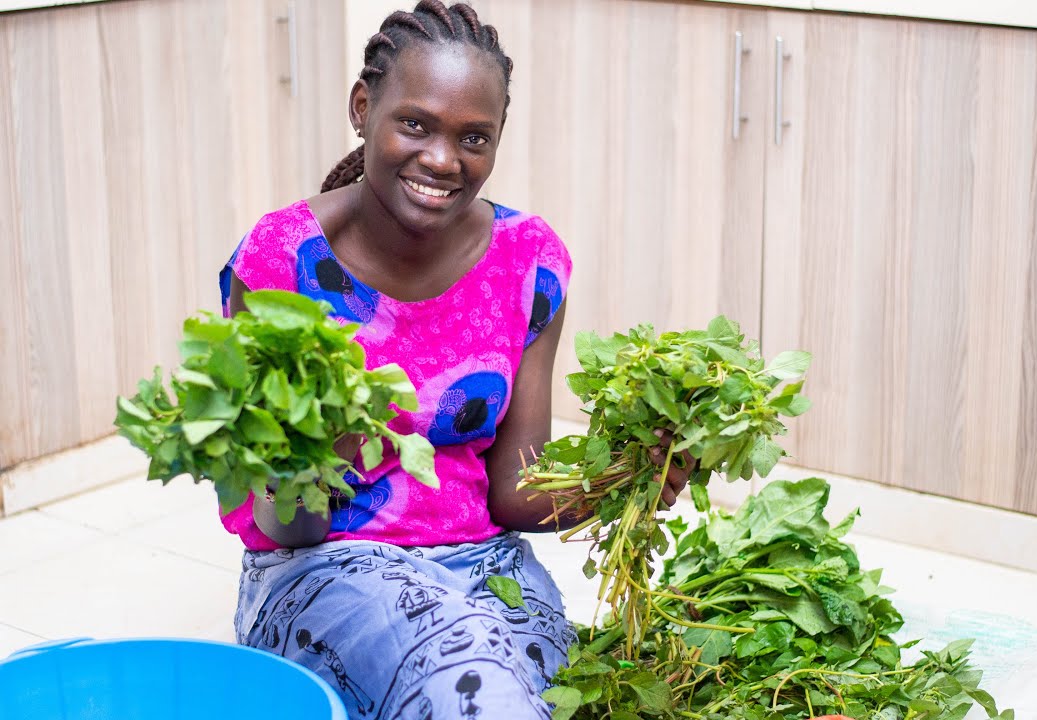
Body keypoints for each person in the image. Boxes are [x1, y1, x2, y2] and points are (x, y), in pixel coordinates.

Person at [216, 3, 690, 718]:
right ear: (362, 107)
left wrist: (629, 477)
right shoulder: (283, 258)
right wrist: (321, 456)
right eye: (415, 124)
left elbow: (513, 492)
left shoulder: (529, 260)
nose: (443, 159)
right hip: (323, 568)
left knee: (575, 701)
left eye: (474, 137)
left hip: (485, 566)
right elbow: (284, 526)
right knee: (477, 694)